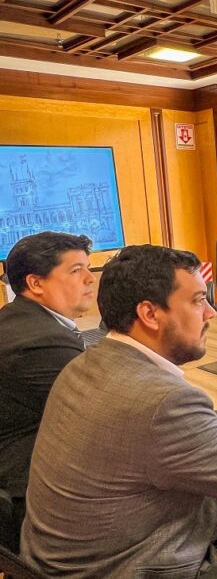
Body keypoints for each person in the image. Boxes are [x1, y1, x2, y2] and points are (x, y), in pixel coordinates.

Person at [21, 245, 217, 578]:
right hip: (127, 566)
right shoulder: (165, 402)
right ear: (150, 314)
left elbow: (150, 434)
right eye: (199, 300)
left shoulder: (83, 365)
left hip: (59, 563)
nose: (211, 313)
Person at [0, 231, 94, 552]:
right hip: (30, 495)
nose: (90, 279)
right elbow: (110, 412)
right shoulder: (39, 341)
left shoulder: (18, 320)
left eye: (88, 268)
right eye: (75, 270)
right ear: (36, 283)